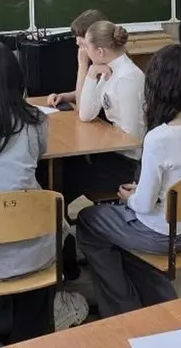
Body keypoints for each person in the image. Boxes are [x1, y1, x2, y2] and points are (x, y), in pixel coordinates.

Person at [0, 42, 88, 338]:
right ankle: (31, 337)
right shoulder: (34, 120)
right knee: (50, 223)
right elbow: (38, 154)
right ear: (17, 78)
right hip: (32, 247)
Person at [77, 44, 181, 318]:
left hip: (162, 235)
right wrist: (144, 192)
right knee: (123, 234)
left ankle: (123, 307)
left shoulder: (159, 137)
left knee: (88, 221)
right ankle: (154, 300)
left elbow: (143, 206)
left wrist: (129, 198)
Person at [61, 21, 145, 210]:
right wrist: (91, 73)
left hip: (127, 164)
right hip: (111, 156)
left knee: (66, 178)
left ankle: (59, 222)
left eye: (86, 47)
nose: (84, 52)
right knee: (62, 169)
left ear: (100, 51)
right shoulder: (109, 70)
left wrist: (100, 140)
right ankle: (58, 221)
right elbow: (86, 113)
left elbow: (131, 138)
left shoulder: (128, 78)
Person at [47, 8, 107, 108]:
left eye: (82, 35)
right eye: (76, 35)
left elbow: (81, 105)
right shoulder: (97, 60)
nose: (77, 42)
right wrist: (64, 97)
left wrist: (82, 64)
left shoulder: (109, 67)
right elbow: (89, 91)